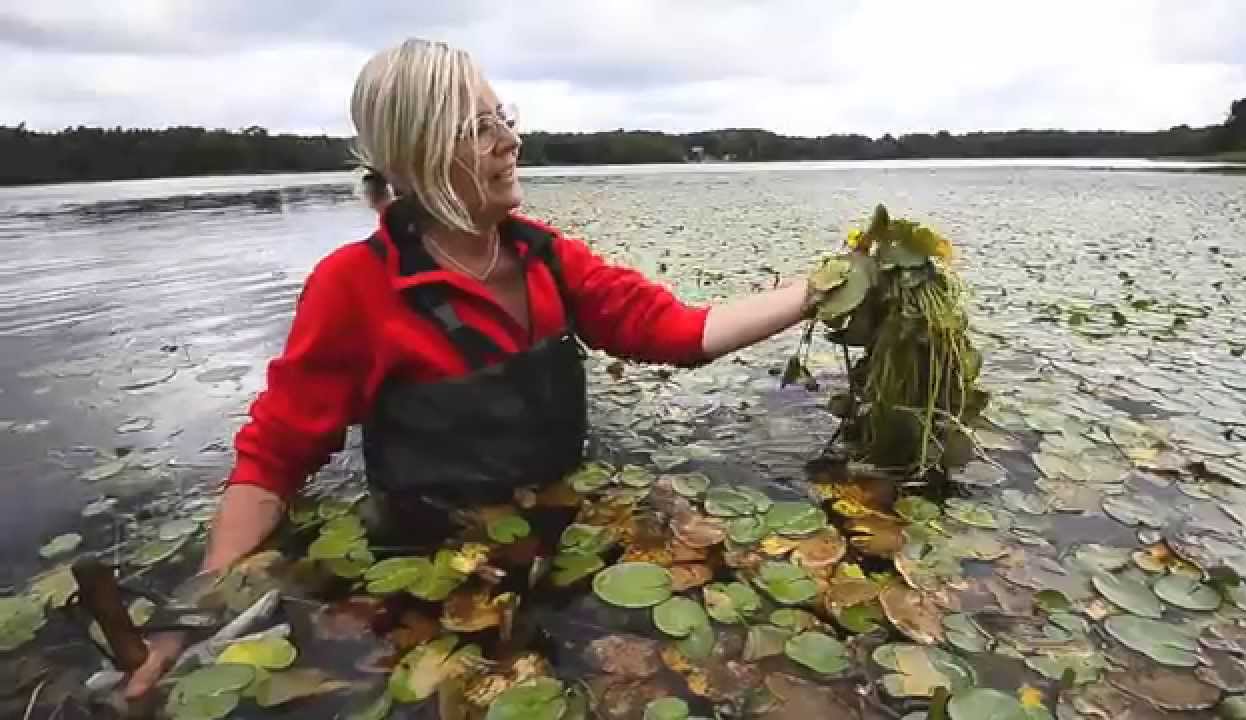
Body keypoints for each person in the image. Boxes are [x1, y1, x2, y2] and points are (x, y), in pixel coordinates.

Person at [122, 37, 825, 698]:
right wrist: (202, 605)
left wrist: (822, 289)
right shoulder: (354, 288)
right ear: (421, 152)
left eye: (504, 118)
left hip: (555, 529)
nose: (511, 140)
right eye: (480, 127)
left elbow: (679, 332)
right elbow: (274, 457)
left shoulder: (548, 258)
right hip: (424, 555)